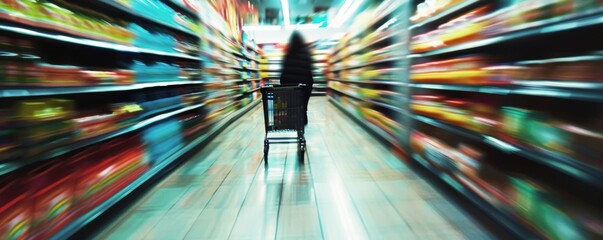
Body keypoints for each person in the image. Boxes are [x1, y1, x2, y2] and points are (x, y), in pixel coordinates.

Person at [280, 31, 313, 125]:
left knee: (291, 104)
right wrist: (309, 86)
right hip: (304, 87)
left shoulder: (288, 53)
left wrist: (283, 86)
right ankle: (303, 117)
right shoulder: (307, 53)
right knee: (303, 105)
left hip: (290, 88)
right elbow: (310, 72)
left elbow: (283, 73)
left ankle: (291, 119)